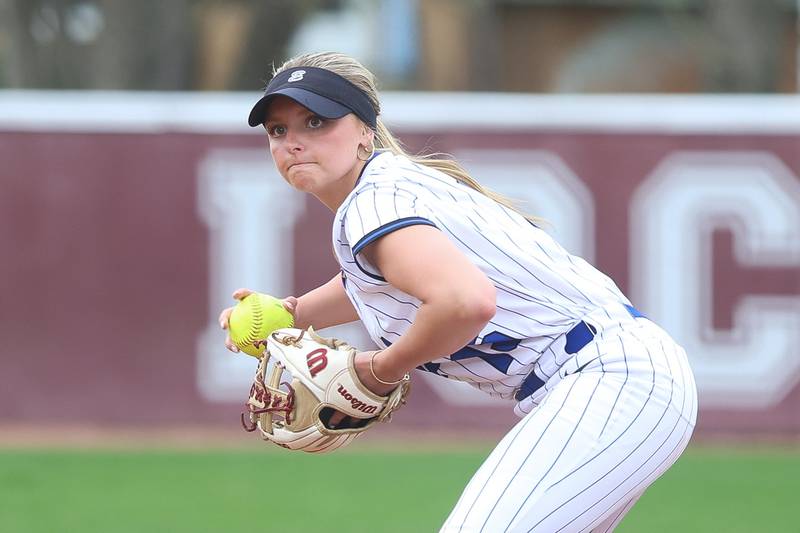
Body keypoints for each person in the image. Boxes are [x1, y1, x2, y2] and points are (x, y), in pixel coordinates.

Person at [219, 51, 698, 532]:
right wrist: (294, 315)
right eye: (278, 130)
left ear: (365, 128)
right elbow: (373, 280)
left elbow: (465, 302)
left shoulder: (373, 204)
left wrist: (379, 371)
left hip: (610, 381)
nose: (294, 142)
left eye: (316, 121)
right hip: (618, 380)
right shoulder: (387, 190)